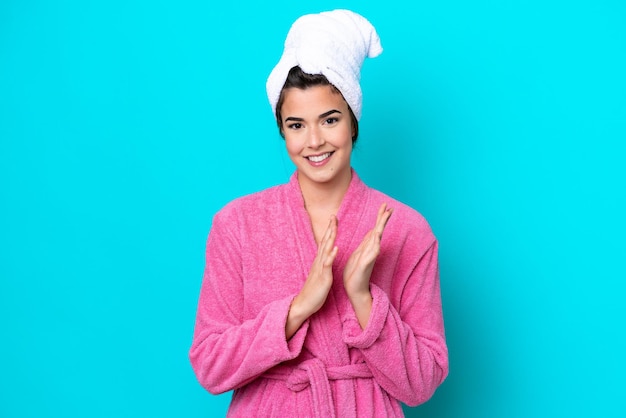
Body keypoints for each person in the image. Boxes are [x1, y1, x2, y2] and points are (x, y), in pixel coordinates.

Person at [189, 9, 448, 417]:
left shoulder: (407, 230)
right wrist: (299, 308)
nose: (314, 141)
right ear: (281, 130)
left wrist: (363, 300)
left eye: (329, 119)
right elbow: (209, 365)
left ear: (352, 122)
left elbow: (421, 384)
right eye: (296, 125)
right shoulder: (236, 225)